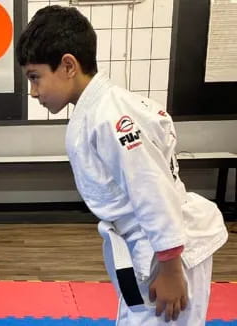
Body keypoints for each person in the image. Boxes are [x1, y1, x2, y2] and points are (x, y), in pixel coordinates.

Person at [16, 5, 228, 325]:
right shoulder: (101, 108)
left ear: (68, 65)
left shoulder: (109, 117)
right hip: (147, 245)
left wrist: (171, 268)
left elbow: (152, 188)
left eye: (36, 77)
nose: (33, 92)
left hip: (167, 250)